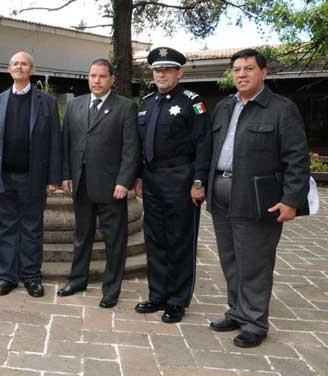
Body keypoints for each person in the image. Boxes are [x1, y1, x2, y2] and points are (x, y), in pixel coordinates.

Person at [207, 48, 309, 348]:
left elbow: (297, 158)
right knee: (230, 260)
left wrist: (291, 200)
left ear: (264, 73)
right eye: (237, 70)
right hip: (221, 194)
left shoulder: (281, 109)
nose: (242, 74)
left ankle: (255, 322)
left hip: (256, 198)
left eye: (249, 69)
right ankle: (237, 312)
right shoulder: (225, 106)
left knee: (254, 262)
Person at [135, 46, 212, 323]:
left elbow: (204, 143)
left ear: (179, 73)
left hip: (180, 179)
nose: (161, 75)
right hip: (152, 179)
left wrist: (199, 181)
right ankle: (158, 295)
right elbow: (140, 144)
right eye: (157, 70)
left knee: (179, 240)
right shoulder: (147, 103)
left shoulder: (192, 102)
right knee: (155, 239)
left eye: (167, 70)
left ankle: (177, 300)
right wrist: (139, 176)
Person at [58, 59, 139, 307]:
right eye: (93, 75)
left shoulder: (125, 107)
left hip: (111, 187)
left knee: (114, 241)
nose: (97, 80)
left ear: (112, 79)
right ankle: (77, 280)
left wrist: (124, 181)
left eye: (102, 76)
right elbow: (66, 143)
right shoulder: (75, 105)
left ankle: (111, 289)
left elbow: (131, 148)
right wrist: (66, 175)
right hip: (81, 185)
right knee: (82, 236)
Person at [0, 51, 61, 298]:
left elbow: (55, 142)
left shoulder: (47, 102)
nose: (19, 67)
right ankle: (7, 276)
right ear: (9, 70)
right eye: (15, 63)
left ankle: (32, 277)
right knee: (6, 229)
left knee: (32, 229)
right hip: (4, 177)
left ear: (32, 70)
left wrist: (53, 178)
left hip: (33, 177)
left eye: (24, 64)